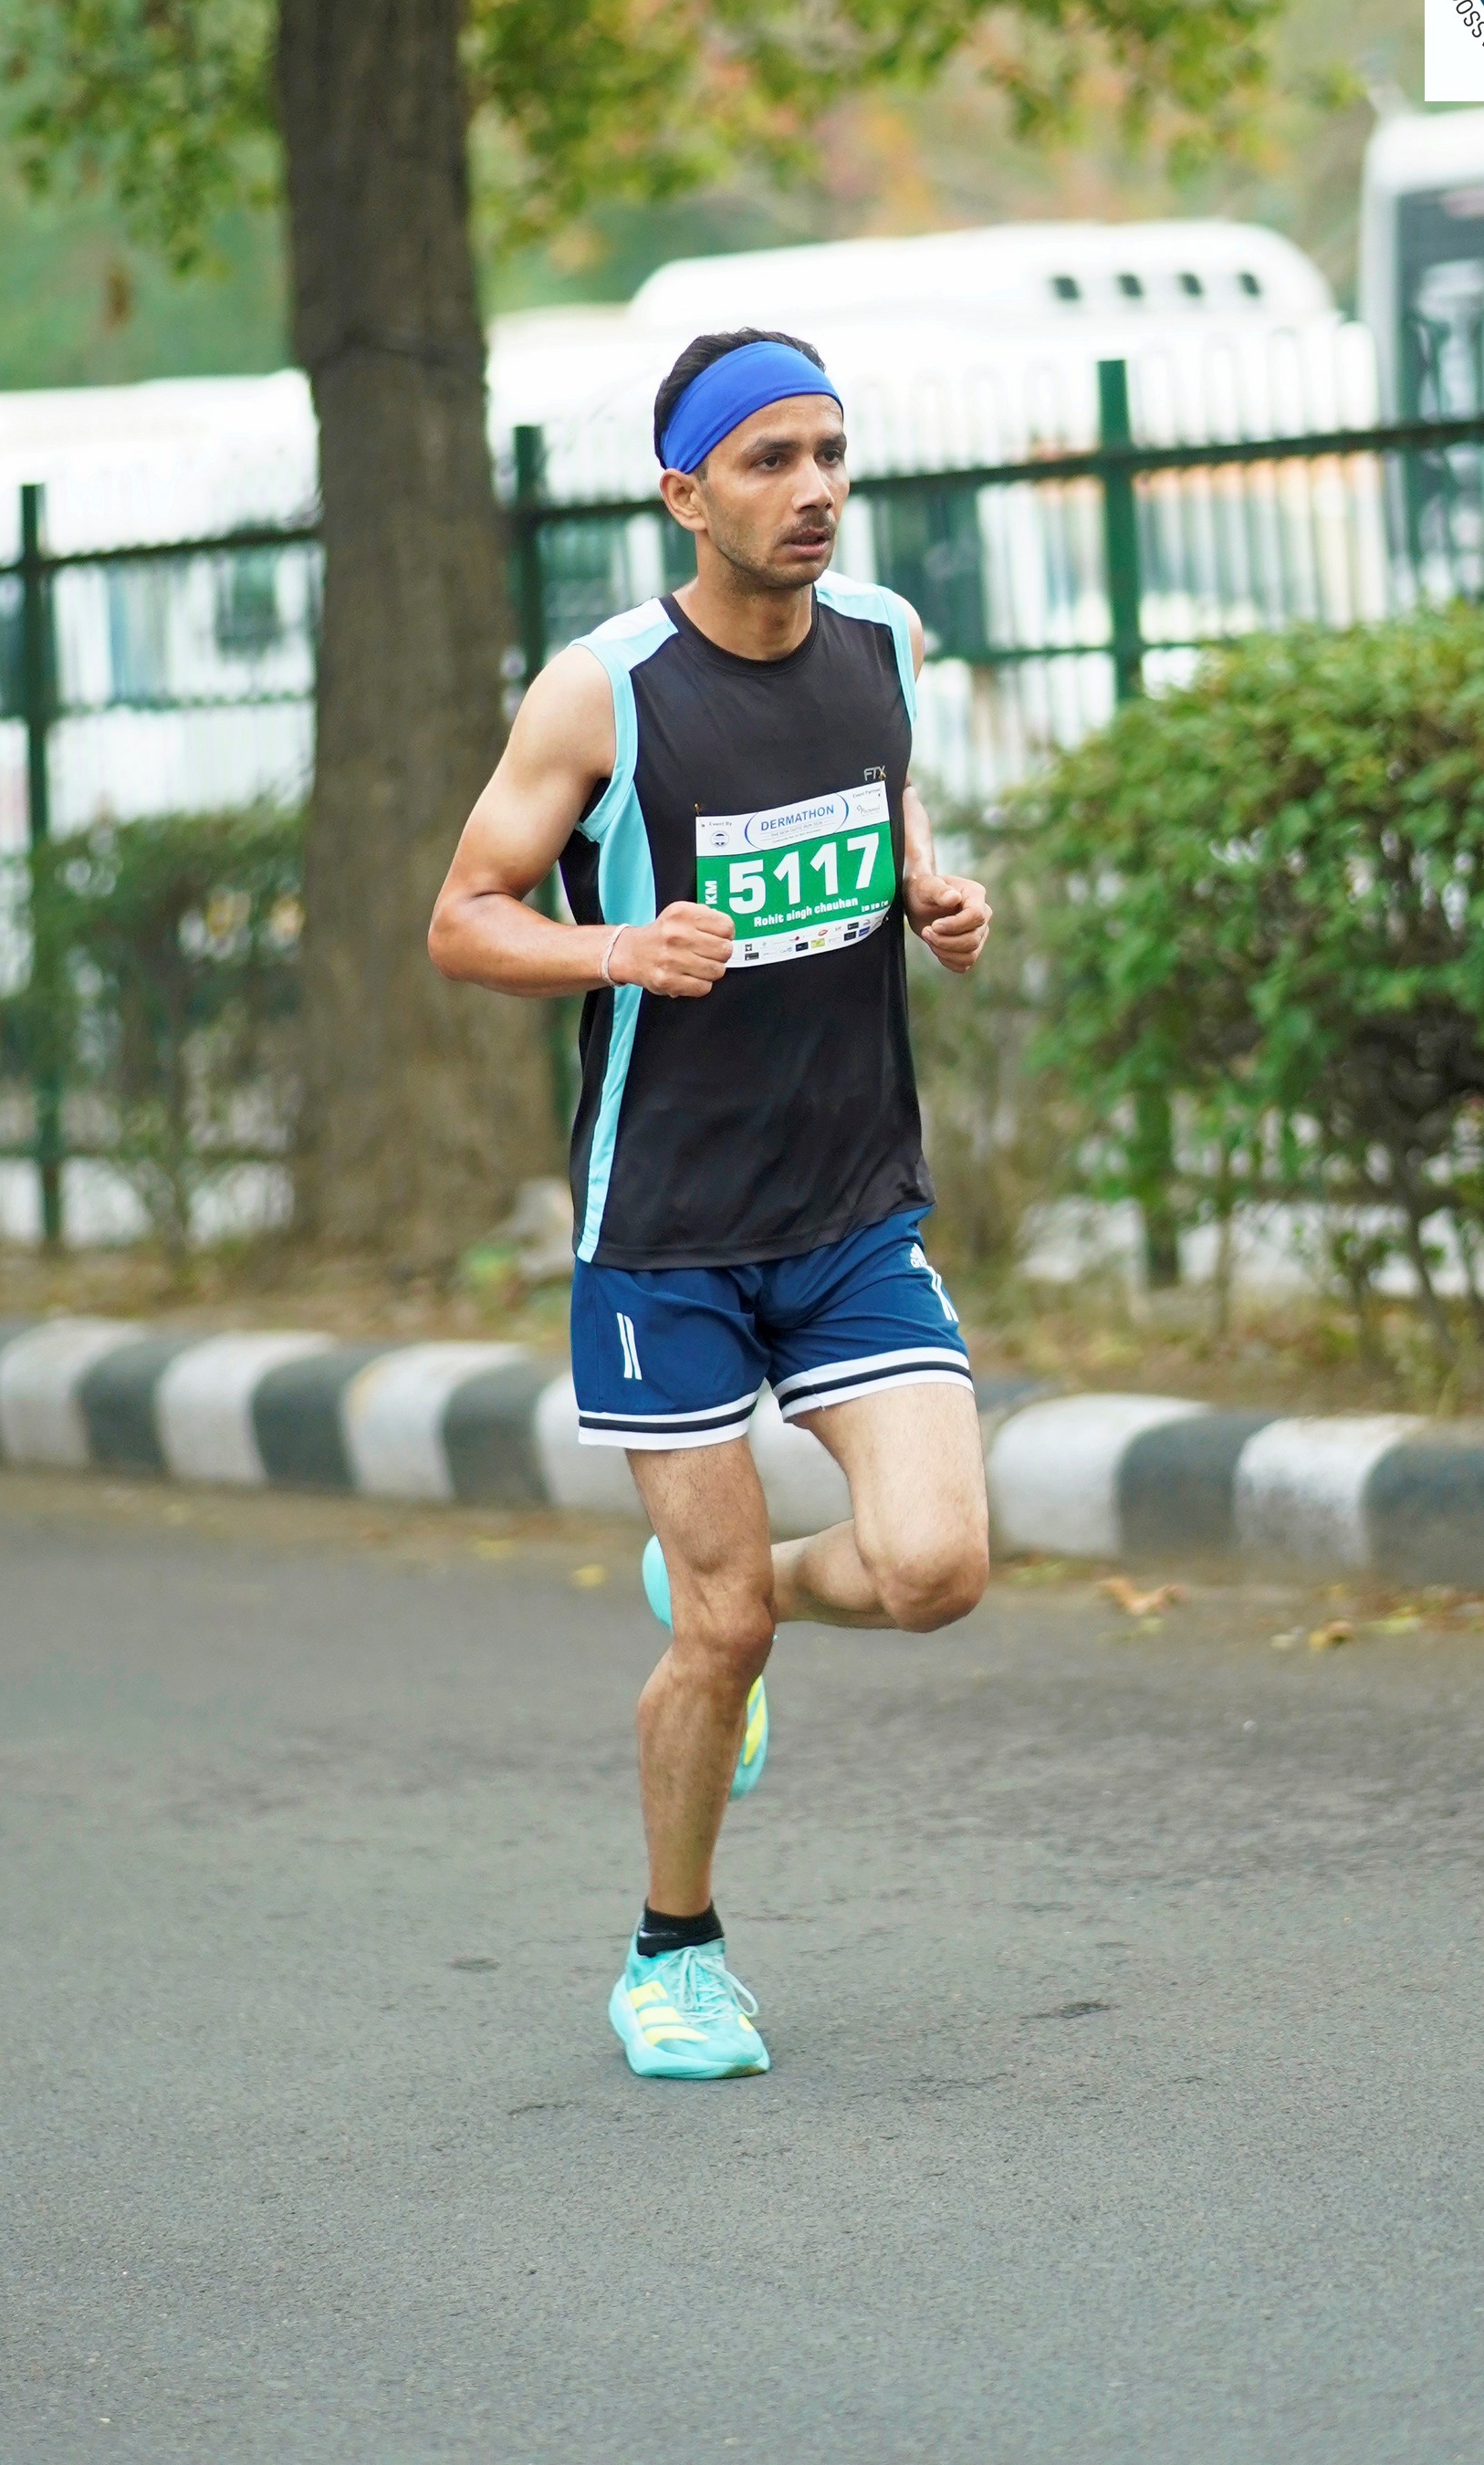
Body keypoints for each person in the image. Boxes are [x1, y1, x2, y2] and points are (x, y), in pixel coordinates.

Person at [429, 328, 993, 2079]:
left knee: (935, 1569)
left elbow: (883, 790)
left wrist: (927, 887)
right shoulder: (604, 690)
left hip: (851, 1204)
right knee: (728, 1624)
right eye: (768, 460)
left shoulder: (887, 636)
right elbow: (464, 915)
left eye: (830, 452)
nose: (813, 489)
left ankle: (718, 1605)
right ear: (686, 494)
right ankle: (671, 1955)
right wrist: (617, 950)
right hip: (663, 1232)